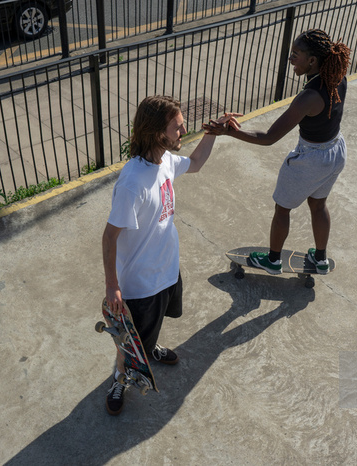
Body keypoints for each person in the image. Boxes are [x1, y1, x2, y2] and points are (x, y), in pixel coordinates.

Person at [102, 95, 240, 416]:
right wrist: (112, 286)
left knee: (155, 324)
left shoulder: (164, 160)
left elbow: (196, 163)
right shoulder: (132, 183)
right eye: (177, 127)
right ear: (156, 132)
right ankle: (120, 377)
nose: (183, 131)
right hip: (141, 285)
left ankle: (148, 349)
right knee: (129, 342)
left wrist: (213, 133)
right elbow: (109, 237)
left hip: (166, 270)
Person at [204, 29, 351, 275]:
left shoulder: (308, 97)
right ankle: (321, 259)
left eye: (295, 55)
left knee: (282, 209)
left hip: (311, 158)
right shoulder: (337, 77)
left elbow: (269, 138)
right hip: (335, 151)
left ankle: (273, 261)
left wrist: (229, 132)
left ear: (312, 60)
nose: (291, 59)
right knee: (318, 204)